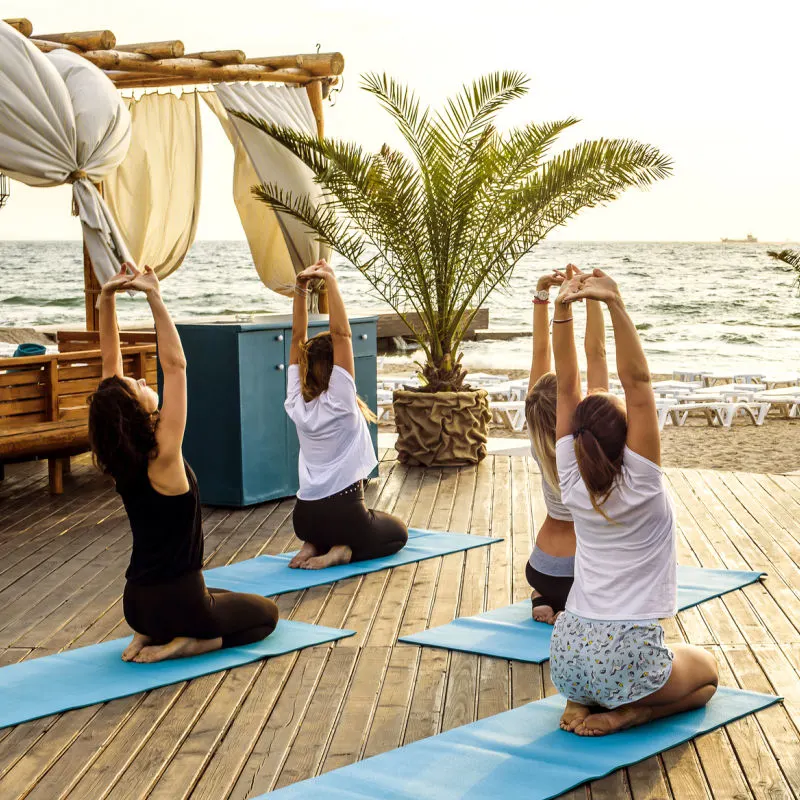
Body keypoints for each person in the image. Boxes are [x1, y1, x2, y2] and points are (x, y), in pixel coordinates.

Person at [549, 266, 718, 736]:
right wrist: (614, 302)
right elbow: (638, 383)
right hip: (623, 657)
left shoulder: (570, 473)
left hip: (566, 657)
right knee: (706, 675)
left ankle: (579, 703)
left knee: (620, 668)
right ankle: (633, 712)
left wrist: (563, 309)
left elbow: (568, 383)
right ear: (627, 438)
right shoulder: (641, 480)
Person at [89, 264, 279, 664]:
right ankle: (191, 643)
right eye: (137, 387)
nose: (143, 382)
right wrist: (155, 295)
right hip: (178, 603)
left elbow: (111, 367)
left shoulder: (121, 455)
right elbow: (176, 366)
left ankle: (149, 635)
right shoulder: (164, 451)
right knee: (266, 616)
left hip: (135, 604)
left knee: (222, 593)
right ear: (133, 413)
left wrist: (106, 299)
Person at [285, 259, 408, 569]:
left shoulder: (296, 401)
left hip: (304, 518)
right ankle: (342, 551)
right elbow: (342, 335)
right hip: (344, 514)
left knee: (336, 526)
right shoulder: (340, 402)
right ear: (334, 370)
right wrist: (331, 281)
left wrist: (301, 289)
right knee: (398, 532)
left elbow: (297, 337)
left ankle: (312, 544)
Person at [525, 266, 608, 624]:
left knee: (542, 591)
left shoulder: (536, 436)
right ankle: (567, 607)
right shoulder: (590, 439)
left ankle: (544, 600)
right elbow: (598, 355)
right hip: (581, 572)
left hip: (540, 566)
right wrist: (594, 299)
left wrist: (545, 298)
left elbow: (540, 355)